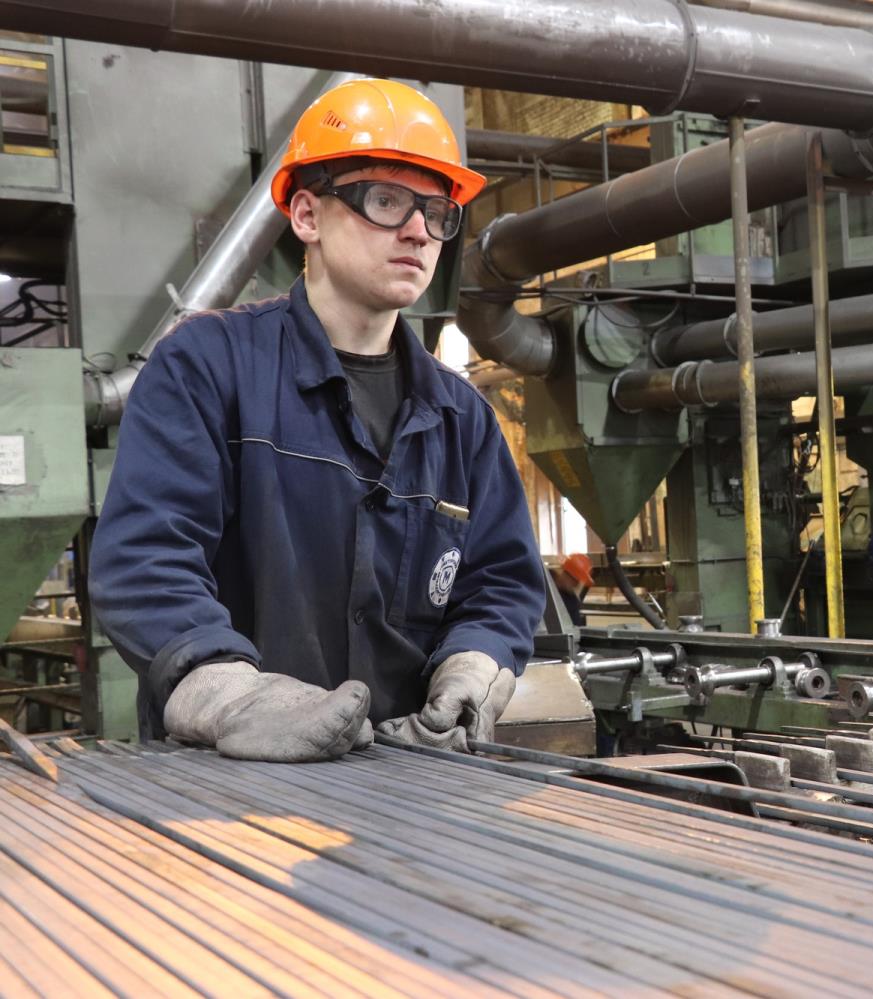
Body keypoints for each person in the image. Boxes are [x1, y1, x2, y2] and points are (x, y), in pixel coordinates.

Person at [89, 78, 546, 763]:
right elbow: (146, 559)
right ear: (306, 215)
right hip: (228, 779)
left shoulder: (464, 419)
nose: (419, 231)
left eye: (436, 212)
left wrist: (473, 664)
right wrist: (229, 696)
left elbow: (501, 581)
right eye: (386, 201)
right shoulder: (207, 365)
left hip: (410, 780)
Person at [550, 553, 594, 627]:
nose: (576, 585)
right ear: (566, 574)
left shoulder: (572, 601)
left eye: (578, 581)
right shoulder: (545, 584)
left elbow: (575, 629)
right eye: (575, 580)